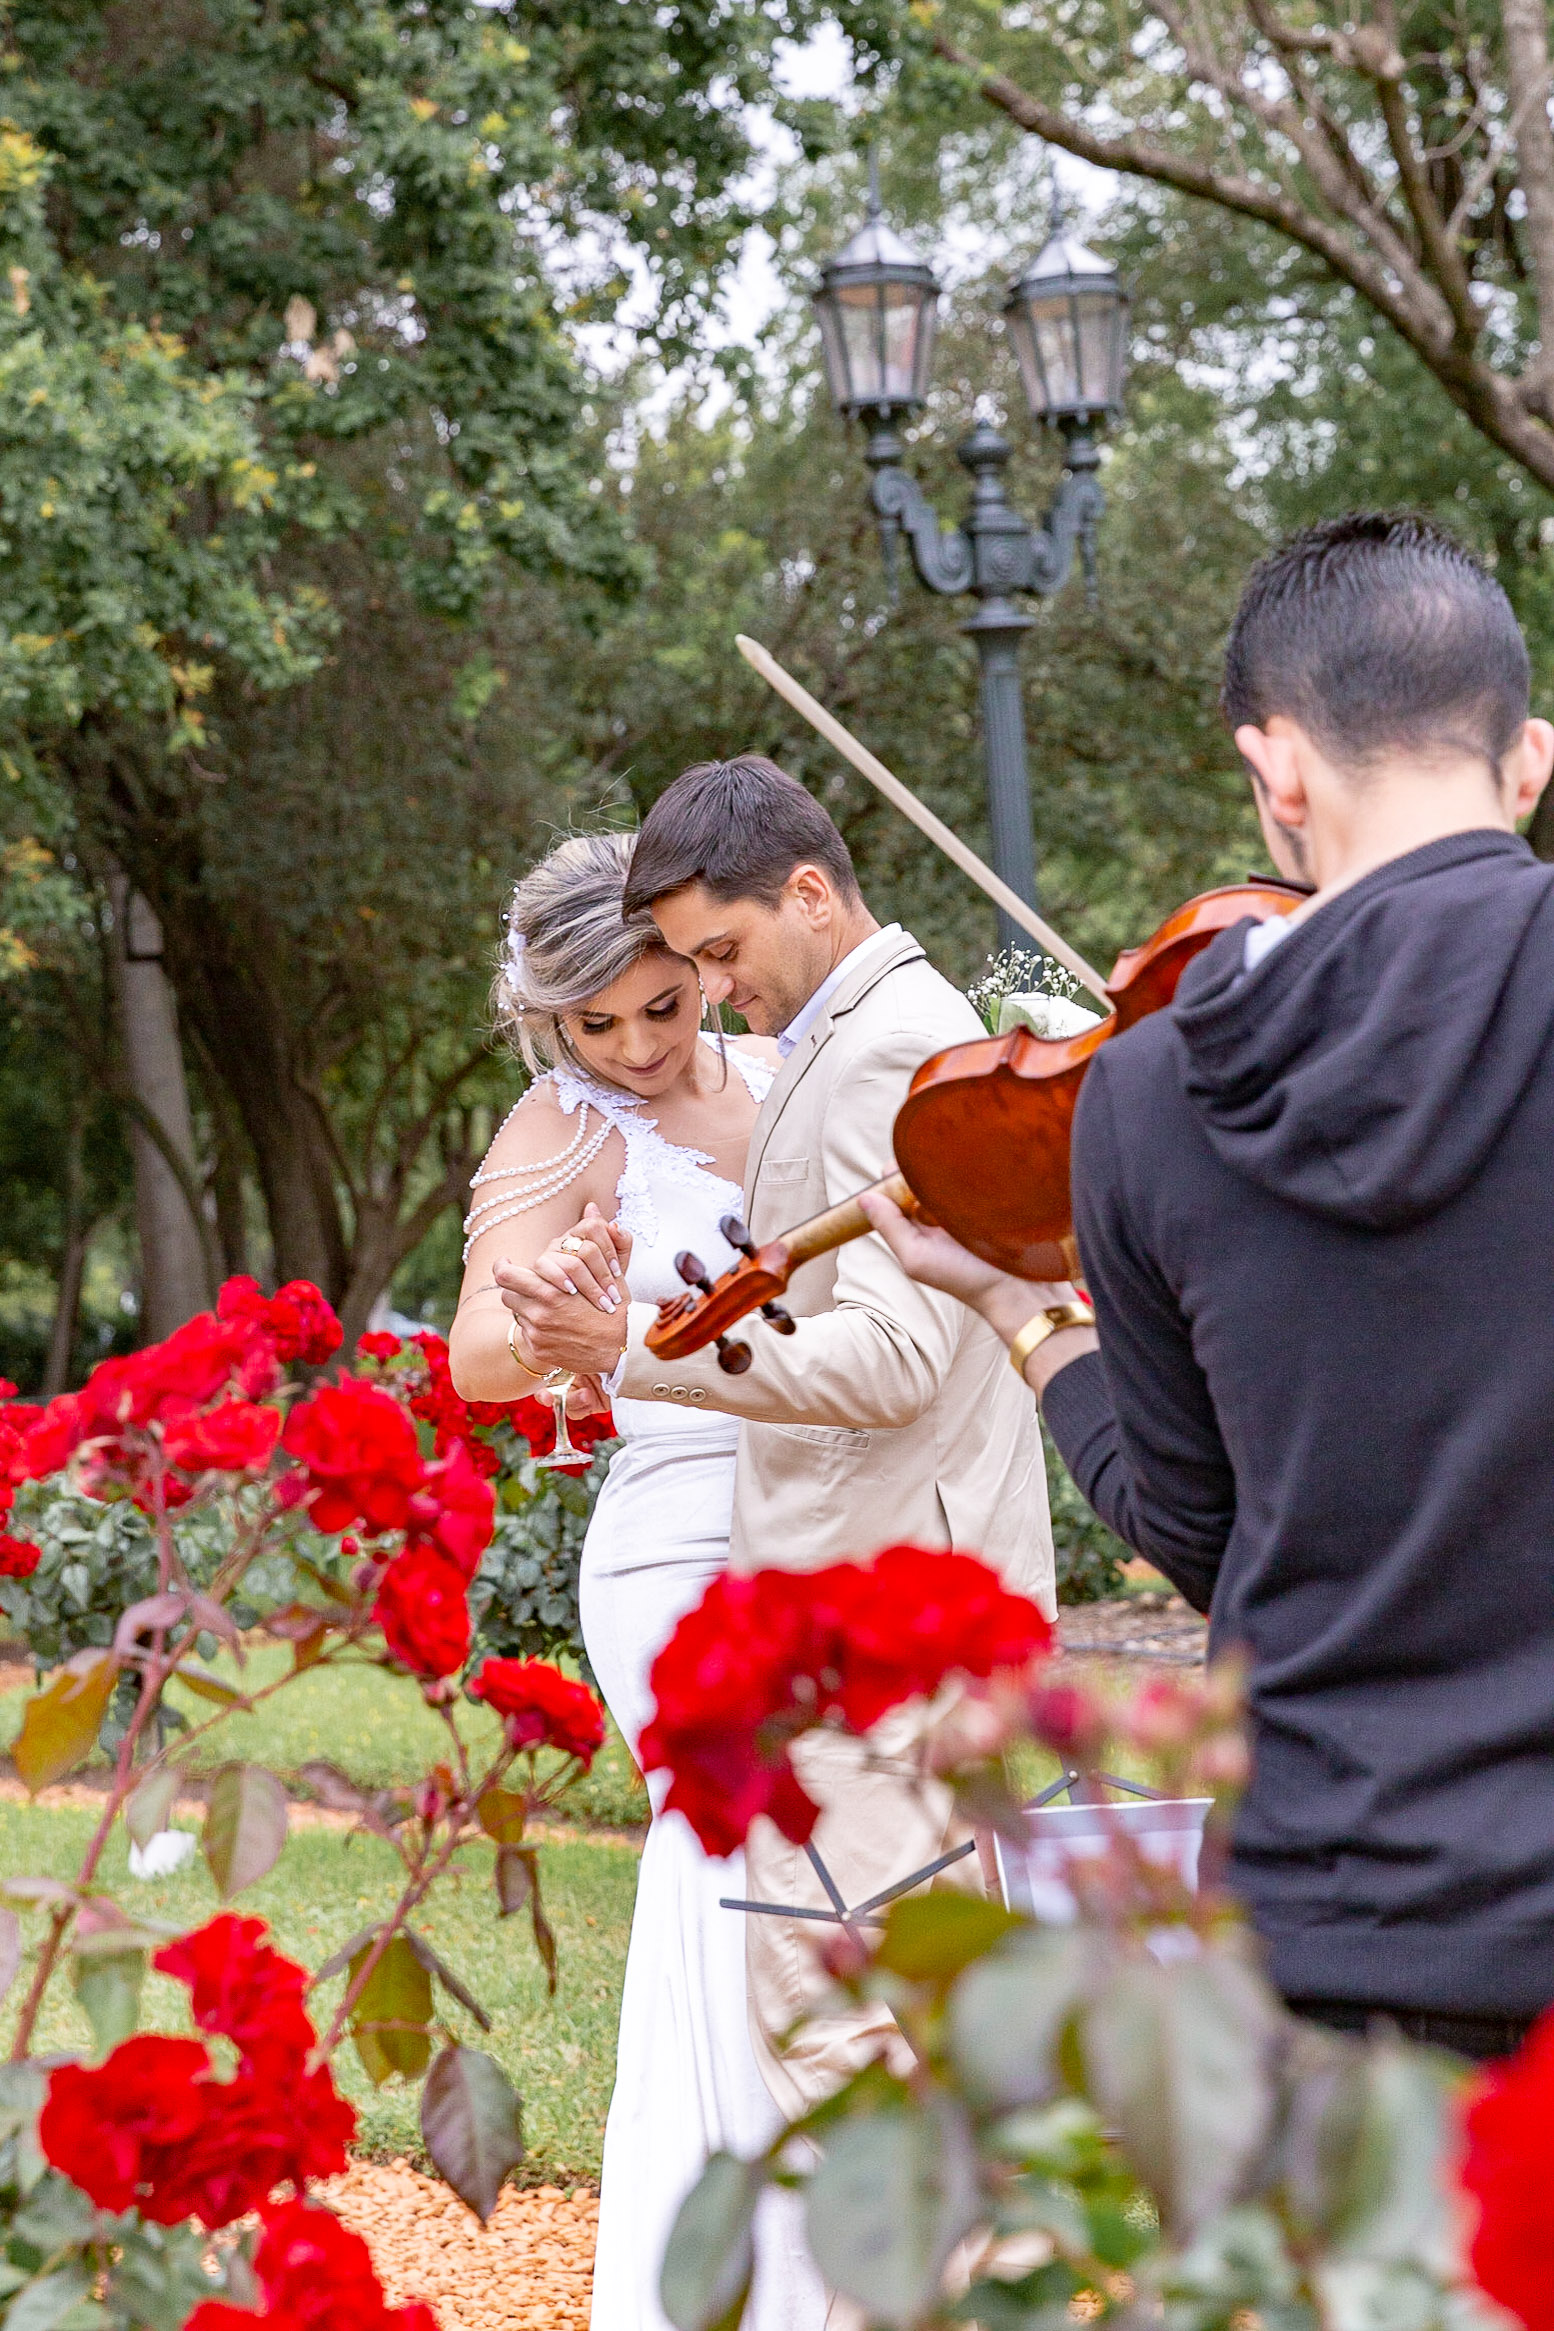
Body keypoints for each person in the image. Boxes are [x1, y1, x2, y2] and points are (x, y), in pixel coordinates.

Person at [860, 510, 1554, 2063]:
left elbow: (1194, 1529)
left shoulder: (1149, 1100)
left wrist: (1012, 1311)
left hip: (1342, 1920)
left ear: (1278, 772)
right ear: (1526, 763)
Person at [494, 757, 1052, 2118]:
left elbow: (897, 1360)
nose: (719, 993)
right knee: (901, 2038)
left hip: (871, 1616)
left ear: (809, 891)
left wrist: (627, 1353)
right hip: (892, 1598)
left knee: (845, 2059)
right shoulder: (875, 1029)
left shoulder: (868, 1051)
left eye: (719, 957)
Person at [447, 834, 826, 2331]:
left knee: (831, 1864)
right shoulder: (557, 1126)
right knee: (727, 1853)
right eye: (593, 1025)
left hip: (822, 1508)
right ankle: (718, 2286)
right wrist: (556, 1325)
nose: (636, 1049)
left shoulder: (789, 1064)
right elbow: (476, 1359)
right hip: (674, 1536)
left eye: (660, 1007)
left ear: (697, 961)